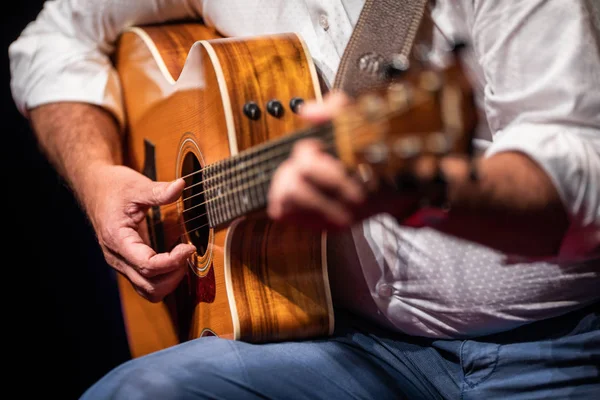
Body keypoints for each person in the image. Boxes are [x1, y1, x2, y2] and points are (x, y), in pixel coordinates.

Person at [9, 0, 600, 398]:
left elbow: (584, 172)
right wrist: (96, 177)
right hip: (340, 343)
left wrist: (416, 187)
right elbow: (54, 37)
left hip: (556, 346)